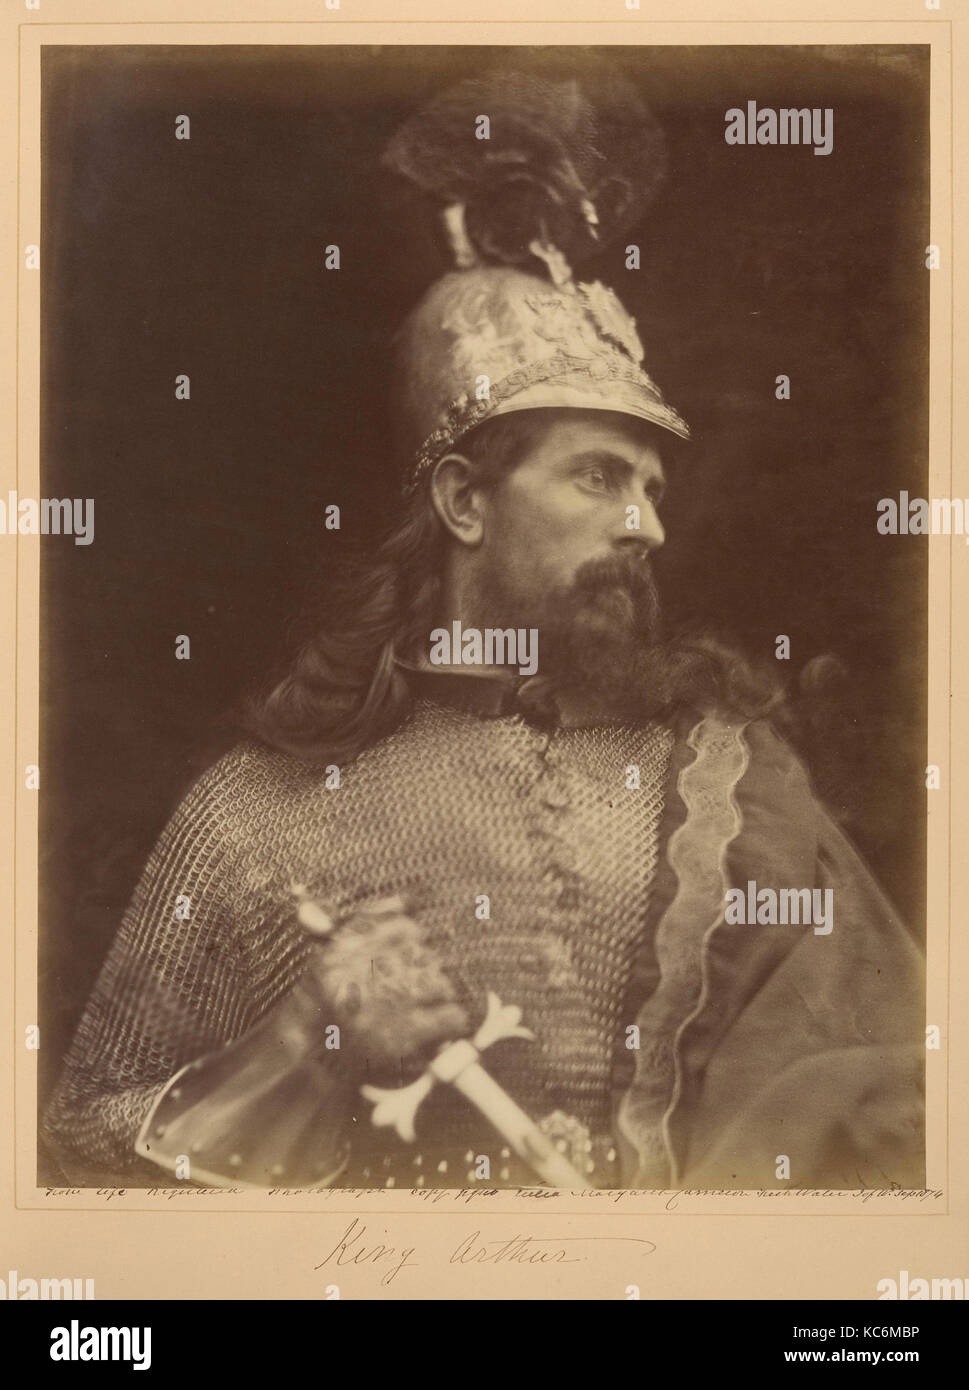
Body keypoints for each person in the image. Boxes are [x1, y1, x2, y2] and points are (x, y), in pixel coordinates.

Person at [42, 73, 924, 1192]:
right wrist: (301, 1045)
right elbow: (77, 1161)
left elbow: (904, 1103)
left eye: (653, 487)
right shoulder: (251, 817)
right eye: (599, 477)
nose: (645, 525)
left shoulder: (736, 791)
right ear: (464, 502)